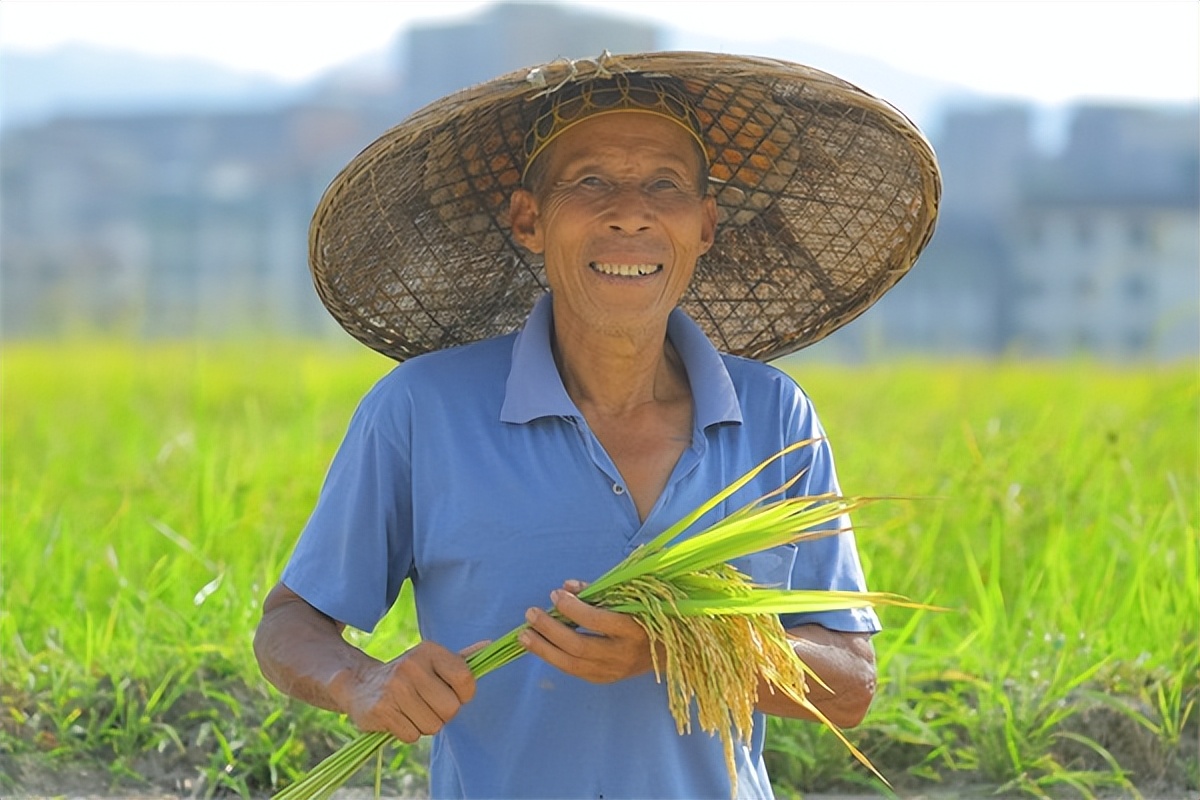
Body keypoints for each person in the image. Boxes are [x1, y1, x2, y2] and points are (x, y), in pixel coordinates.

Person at [254, 52, 940, 799]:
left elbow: (849, 685)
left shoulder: (775, 417)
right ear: (529, 219)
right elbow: (291, 625)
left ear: (703, 225)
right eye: (590, 182)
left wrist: (673, 646)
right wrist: (362, 682)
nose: (630, 211)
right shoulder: (424, 410)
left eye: (664, 186)